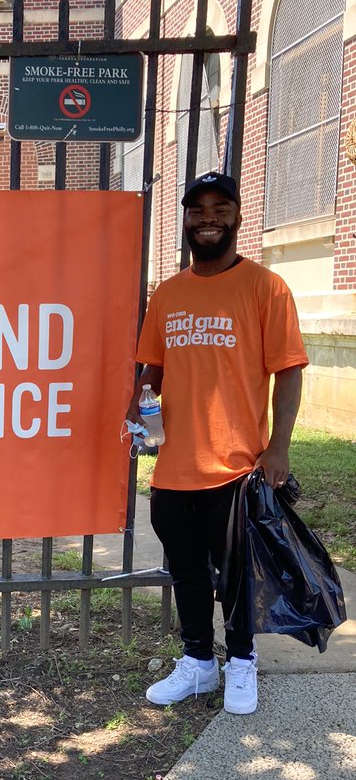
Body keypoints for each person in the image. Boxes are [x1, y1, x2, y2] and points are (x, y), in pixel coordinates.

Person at [129, 171, 308, 715]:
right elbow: (152, 367)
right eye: (198, 209)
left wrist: (277, 448)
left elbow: (289, 370)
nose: (208, 218)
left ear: (235, 217)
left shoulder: (265, 287)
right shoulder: (168, 293)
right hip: (174, 467)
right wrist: (141, 406)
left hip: (235, 466)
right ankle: (198, 663)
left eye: (219, 208)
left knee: (234, 574)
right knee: (185, 569)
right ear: (185, 218)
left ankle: (242, 663)